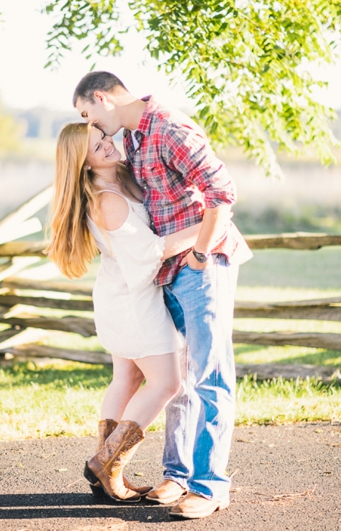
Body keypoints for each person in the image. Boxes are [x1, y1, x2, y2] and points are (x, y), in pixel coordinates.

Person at [72, 71, 252, 519]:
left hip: (200, 265)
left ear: (101, 97)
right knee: (183, 378)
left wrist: (198, 255)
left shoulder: (169, 128)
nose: (88, 123)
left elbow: (222, 193)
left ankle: (210, 487)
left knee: (209, 374)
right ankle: (178, 476)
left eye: (86, 112)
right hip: (167, 272)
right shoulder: (132, 139)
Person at [48, 122, 202, 504]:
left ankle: (104, 472)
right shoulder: (107, 199)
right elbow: (147, 255)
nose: (107, 145)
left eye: (104, 137)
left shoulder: (124, 179)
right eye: (95, 145)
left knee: (128, 378)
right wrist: (204, 228)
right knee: (169, 383)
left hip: (121, 293)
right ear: (81, 162)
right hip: (132, 300)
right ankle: (109, 464)